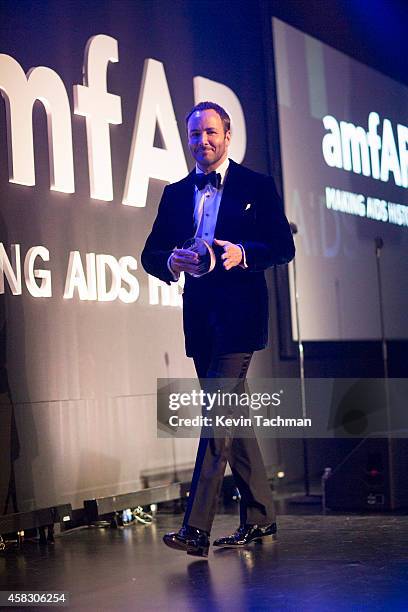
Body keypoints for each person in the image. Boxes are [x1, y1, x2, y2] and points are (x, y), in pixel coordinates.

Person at [141, 101, 295, 557]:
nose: (202, 141)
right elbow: (150, 253)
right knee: (233, 418)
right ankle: (261, 517)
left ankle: (196, 528)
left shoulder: (256, 185)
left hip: (240, 318)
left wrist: (242, 253)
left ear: (227, 136)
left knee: (216, 419)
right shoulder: (174, 193)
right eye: (194, 135)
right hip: (201, 319)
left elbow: (282, 247)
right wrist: (171, 260)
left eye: (210, 132)